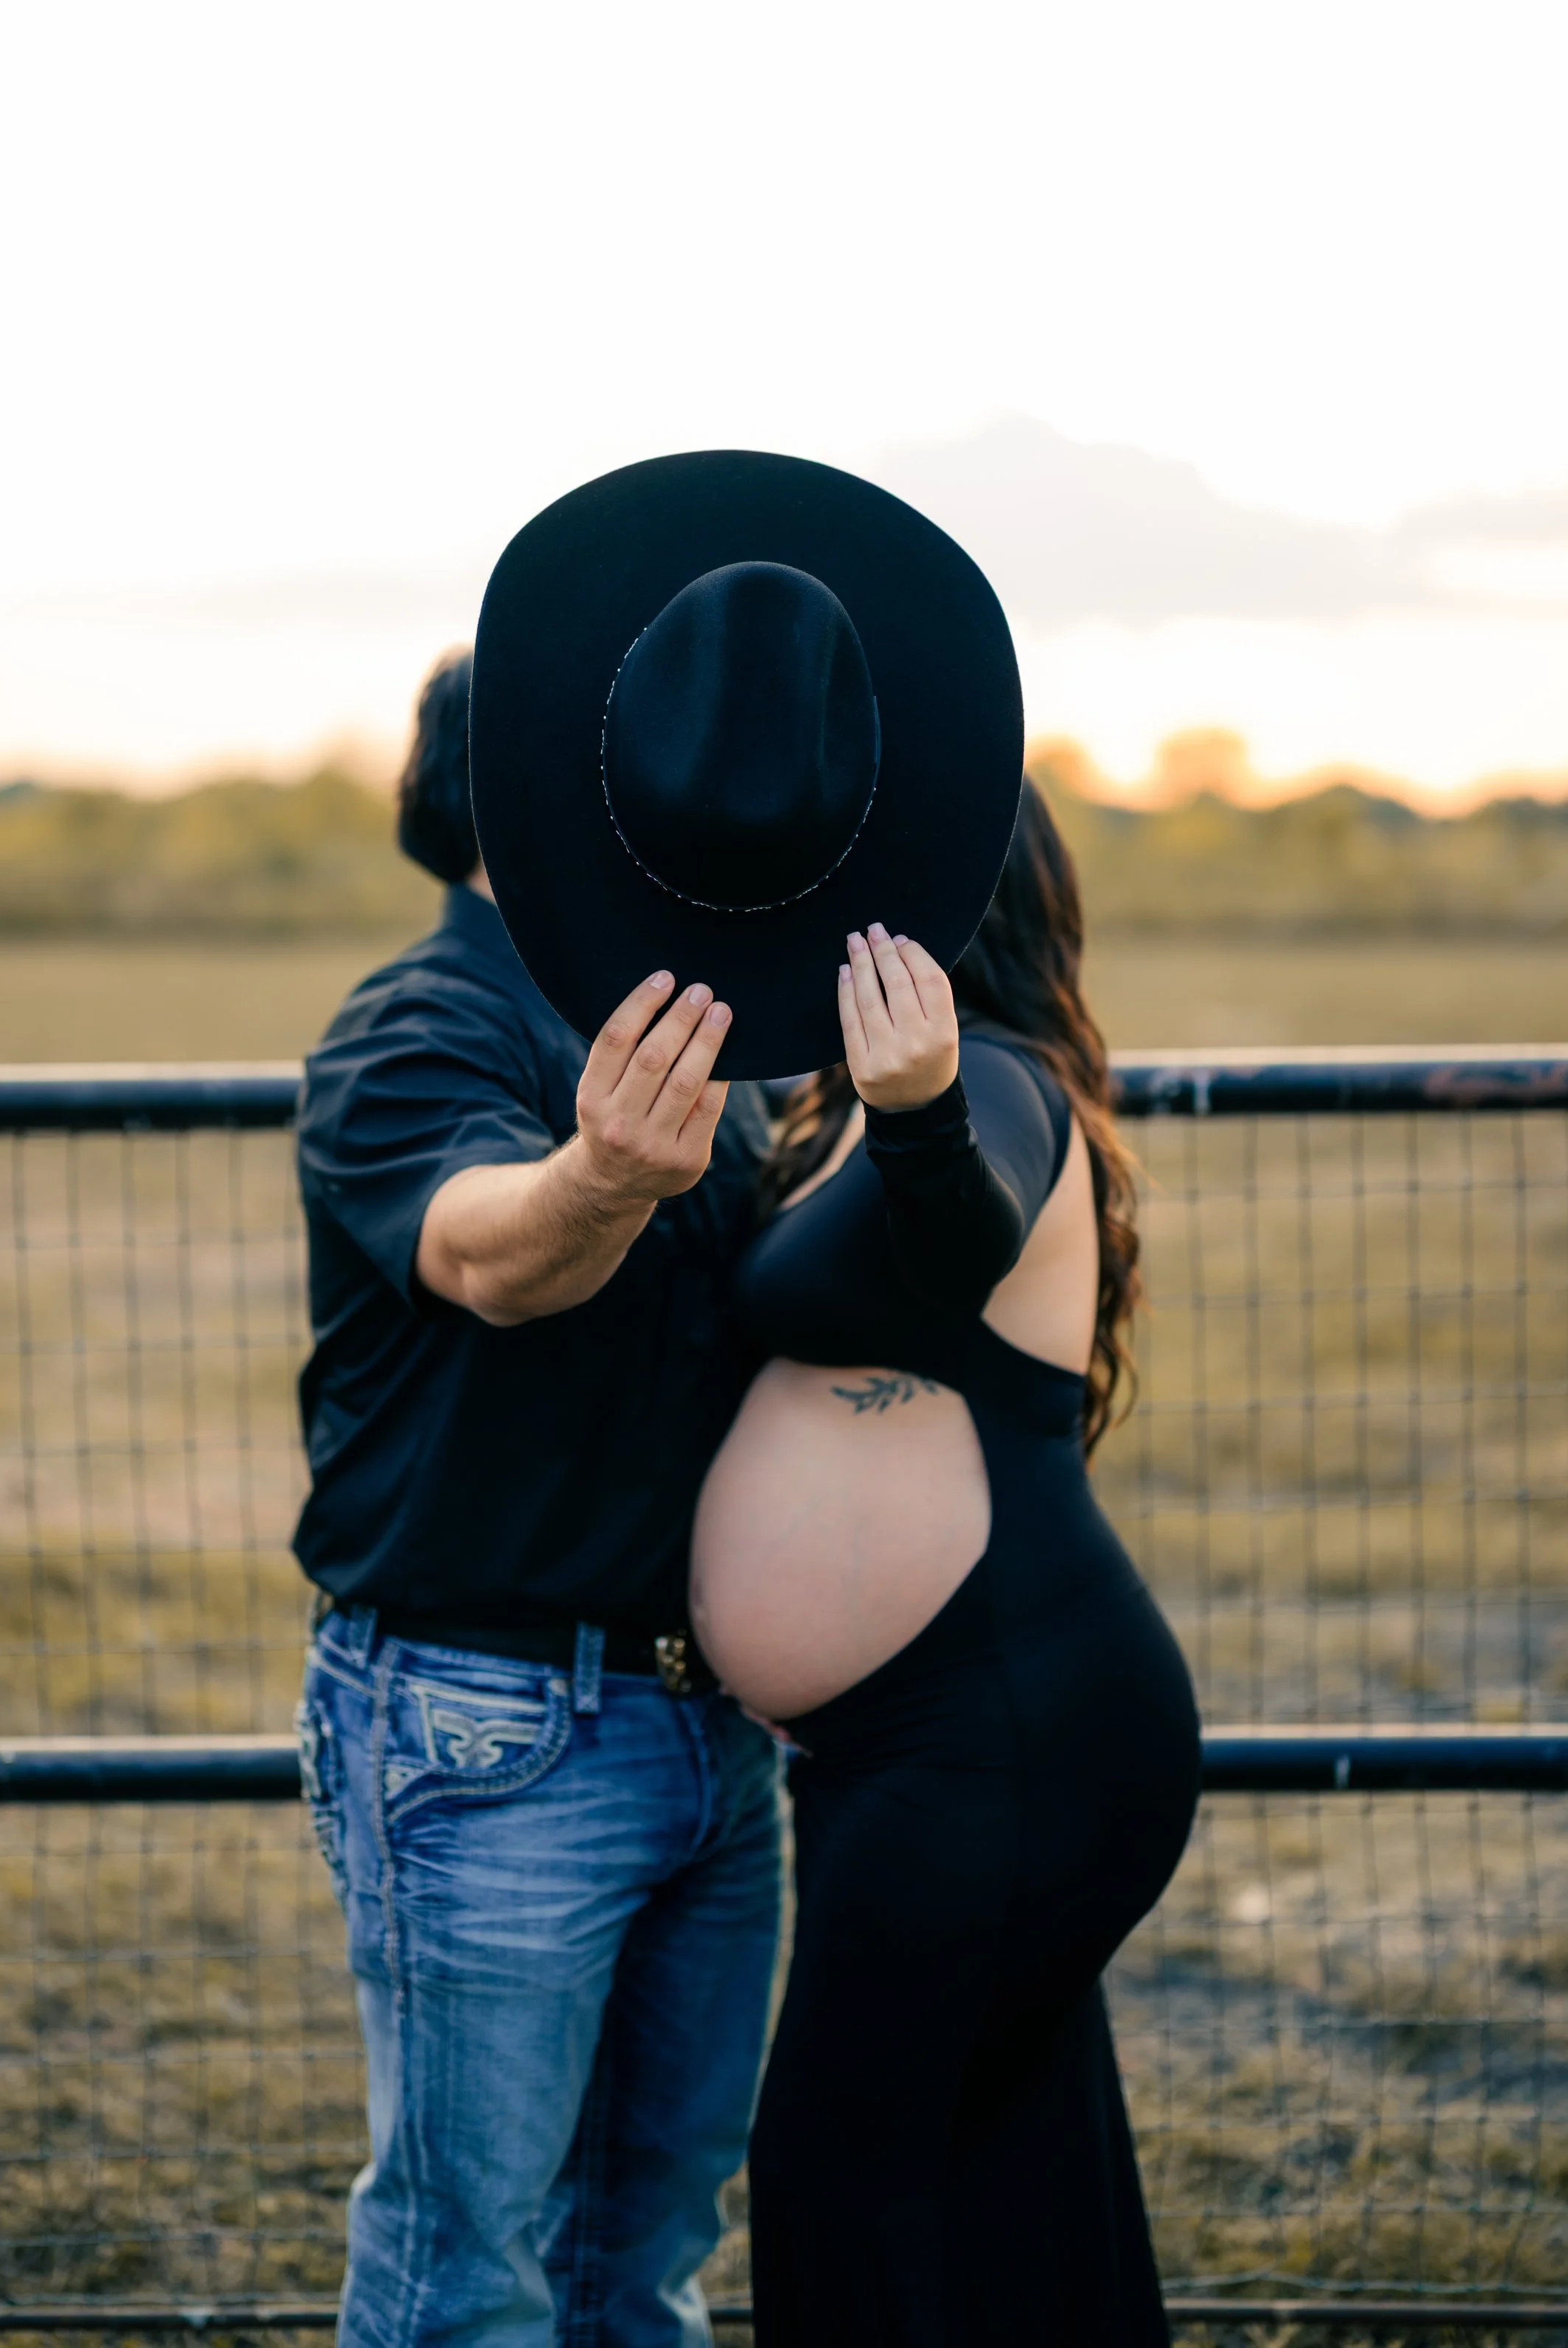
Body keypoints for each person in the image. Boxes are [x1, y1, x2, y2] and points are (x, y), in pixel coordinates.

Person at [293, 645, 782, 2348]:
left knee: (642, 2263)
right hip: (486, 1725)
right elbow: (488, 1258)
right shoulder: (416, 1027)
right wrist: (597, 1181)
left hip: (710, 1736)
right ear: (535, 794)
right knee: (465, 2280)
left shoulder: (691, 1024)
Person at [692, 781, 1201, 2345]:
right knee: (1004, 2162)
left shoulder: (987, 1088)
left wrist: (909, 1116)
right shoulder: (843, 1102)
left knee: (841, 2168)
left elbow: (951, 1244)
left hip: (1004, 1735)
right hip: (936, 1743)